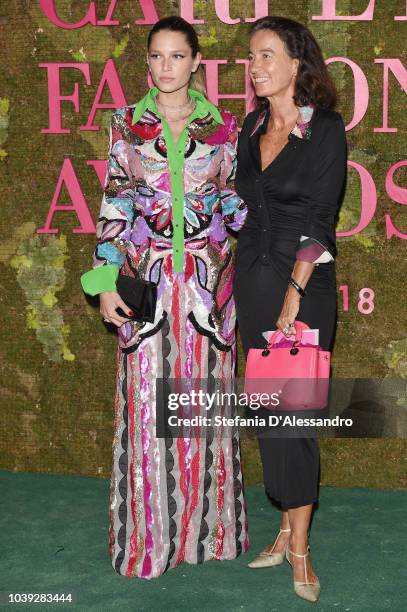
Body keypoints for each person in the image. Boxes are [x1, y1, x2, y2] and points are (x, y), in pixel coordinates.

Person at [80, 16, 249, 579]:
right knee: (149, 407)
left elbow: (234, 204)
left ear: (197, 61)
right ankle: (151, 540)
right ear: (147, 61)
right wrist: (105, 286)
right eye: (156, 56)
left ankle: (210, 533)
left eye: (177, 56)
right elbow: (114, 206)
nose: (166, 67)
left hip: (206, 286)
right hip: (145, 283)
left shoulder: (227, 127)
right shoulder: (125, 125)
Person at [233, 16, 347, 603]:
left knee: (295, 420)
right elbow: (240, 208)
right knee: (269, 421)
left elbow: (320, 217)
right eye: (252, 56)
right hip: (252, 282)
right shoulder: (250, 126)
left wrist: (294, 293)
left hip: (301, 288)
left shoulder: (324, 128)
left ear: (298, 63)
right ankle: (282, 529)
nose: (255, 66)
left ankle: (300, 551)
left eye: (267, 55)